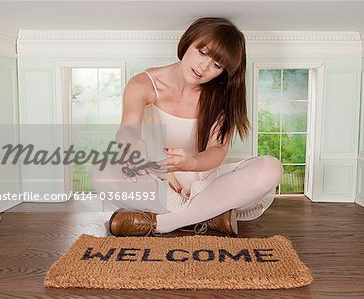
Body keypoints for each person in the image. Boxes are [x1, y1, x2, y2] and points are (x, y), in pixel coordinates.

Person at [89, 17, 283, 236]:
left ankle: (164, 223)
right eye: (202, 53)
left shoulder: (221, 97)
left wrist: (190, 162)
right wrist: (132, 147)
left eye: (217, 65)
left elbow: (217, 151)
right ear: (188, 42)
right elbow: (128, 129)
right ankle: (209, 216)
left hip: (207, 184)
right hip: (157, 181)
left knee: (271, 168)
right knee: (100, 169)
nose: (204, 67)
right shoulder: (143, 84)